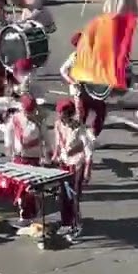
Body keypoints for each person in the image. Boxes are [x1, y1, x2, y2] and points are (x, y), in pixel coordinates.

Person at [52, 100, 94, 241]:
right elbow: (58, 142)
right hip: (64, 164)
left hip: (76, 165)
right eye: (58, 113)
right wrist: (55, 155)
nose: (59, 115)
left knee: (74, 197)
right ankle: (66, 223)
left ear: (68, 113)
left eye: (61, 113)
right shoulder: (58, 125)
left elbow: (88, 150)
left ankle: (76, 225)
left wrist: (88, 170)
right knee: (63, 196)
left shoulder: (79, 128)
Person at [2, 95, 44, 226]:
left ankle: (35, 214)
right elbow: (8, 132)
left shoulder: (38, 121)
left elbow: (46, 138)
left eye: (31, 111)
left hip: (34, 158)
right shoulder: (15, 119)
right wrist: (9, 147)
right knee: (21, 189)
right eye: (27, 111)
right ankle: (24, 216)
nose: (29, 113)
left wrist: (48, 155)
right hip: (19, 157)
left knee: (32, 190)